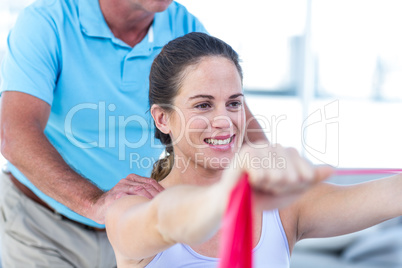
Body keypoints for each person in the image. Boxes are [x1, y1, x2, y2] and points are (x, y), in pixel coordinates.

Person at [0, 0, 266, 267]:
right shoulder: (47, 23)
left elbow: (237, 122)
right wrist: (94, 202)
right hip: (44, 225)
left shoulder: (183, 26)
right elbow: (13, 132)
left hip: (137, 229)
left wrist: (274, 179)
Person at [105, 32, 402, 267]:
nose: (225, 121)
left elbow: (391, 195)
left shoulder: (283, 208)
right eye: (203, 105)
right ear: (162, 118)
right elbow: (165, 221)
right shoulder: (131, 209)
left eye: (234, 103)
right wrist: (228, 194)